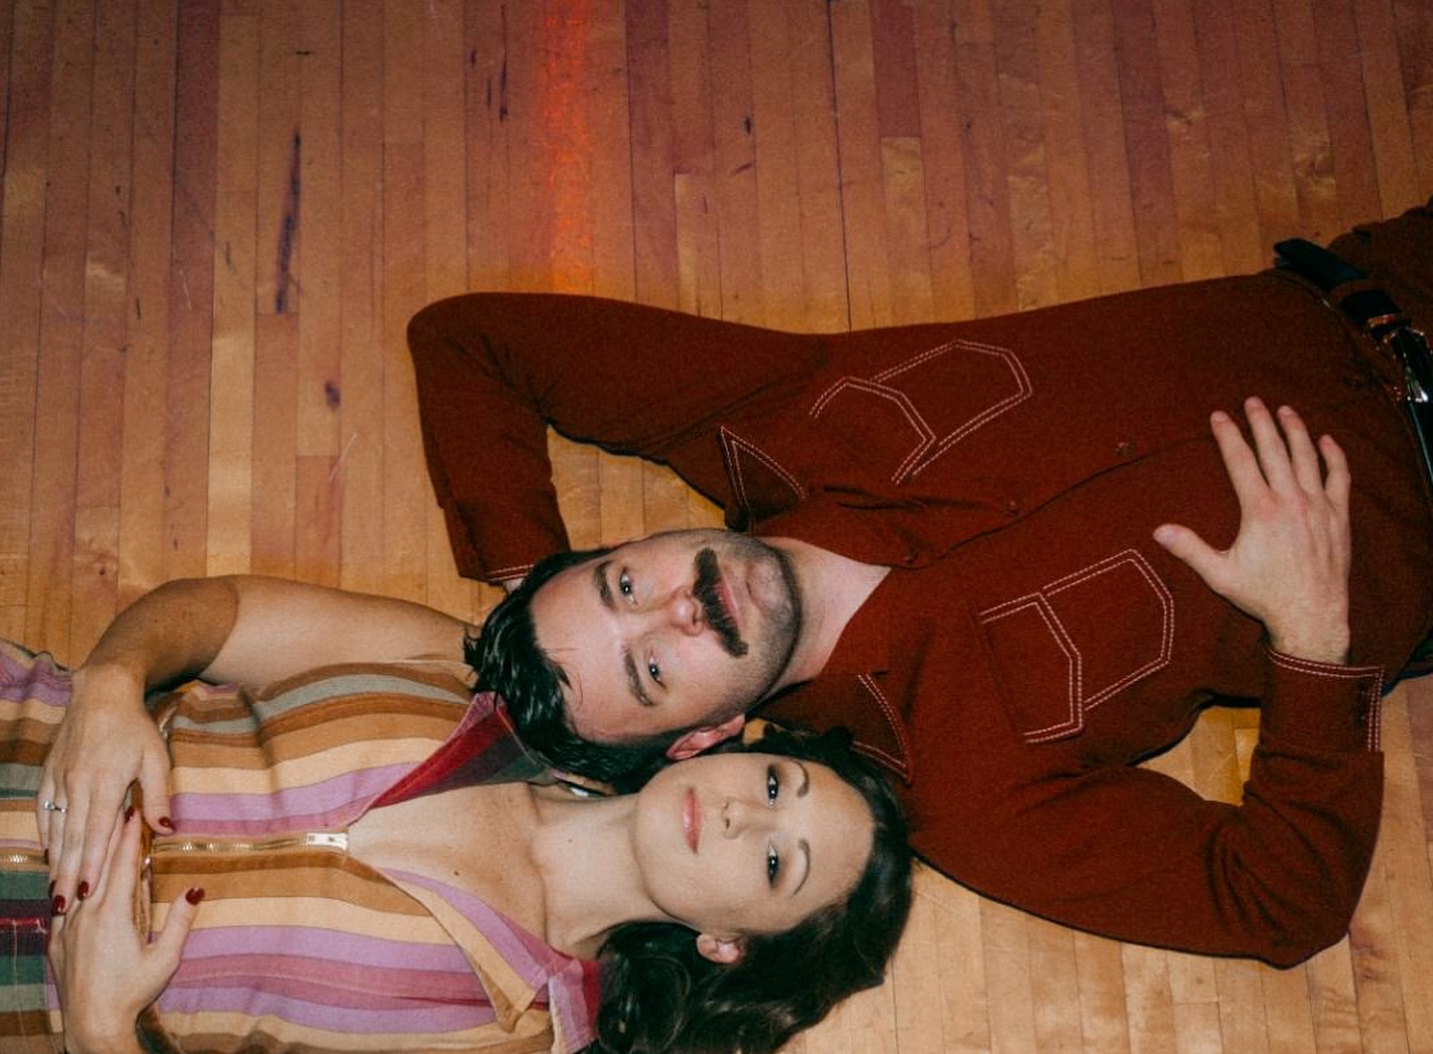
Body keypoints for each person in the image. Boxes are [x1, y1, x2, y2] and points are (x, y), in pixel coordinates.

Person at [405, 200, 1433, 969]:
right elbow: (1278, 907)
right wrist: (1311, 637)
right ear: (700, 741)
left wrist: (524, 580)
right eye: (652, 669)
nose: (678, 608)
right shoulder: (962, 787)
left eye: (622, 585)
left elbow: (467, 340)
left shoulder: (774, 416)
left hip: (1392, 279)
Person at [0, 577, 912, 1054]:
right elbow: (218, 614)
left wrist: (108, 1040)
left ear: (731, 943)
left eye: (775, 858)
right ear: (720, 745)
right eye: (775, 782)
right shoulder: (464, 677)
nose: (741, 812)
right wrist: (115, 680)